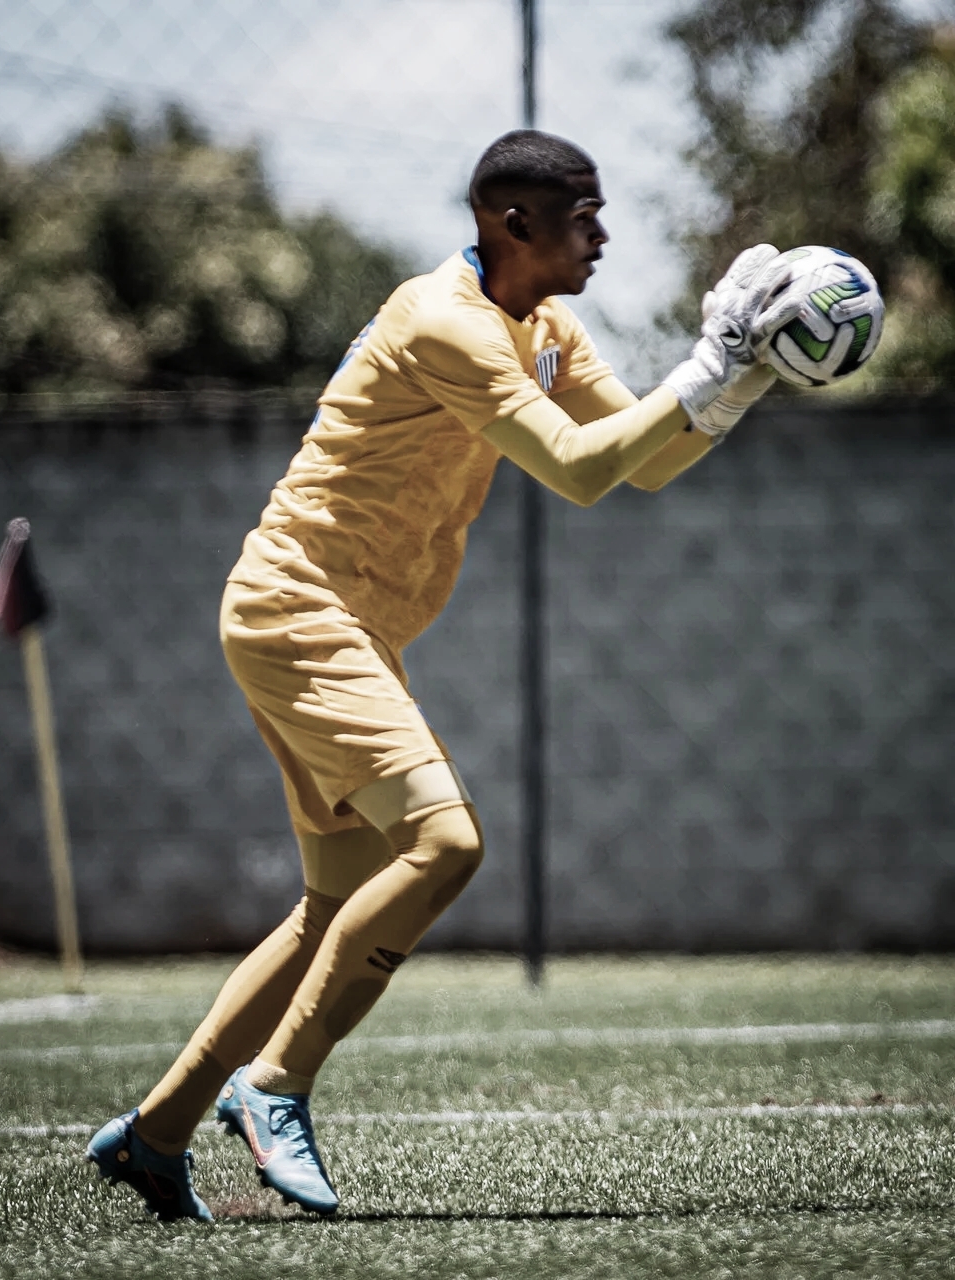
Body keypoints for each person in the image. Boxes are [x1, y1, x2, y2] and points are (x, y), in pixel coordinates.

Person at [86, 129, 785, 1221]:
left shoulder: (543, 324)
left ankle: (157, 1130)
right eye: (583, 217)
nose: (603, 237)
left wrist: (733, 380)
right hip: (297, 608)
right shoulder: (446, 323)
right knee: (446, 841)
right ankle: (273, 1086)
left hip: (339, 623)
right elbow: (576, 471)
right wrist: (705, 364)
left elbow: (641, 459)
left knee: (332, 904)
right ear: (514, 225)